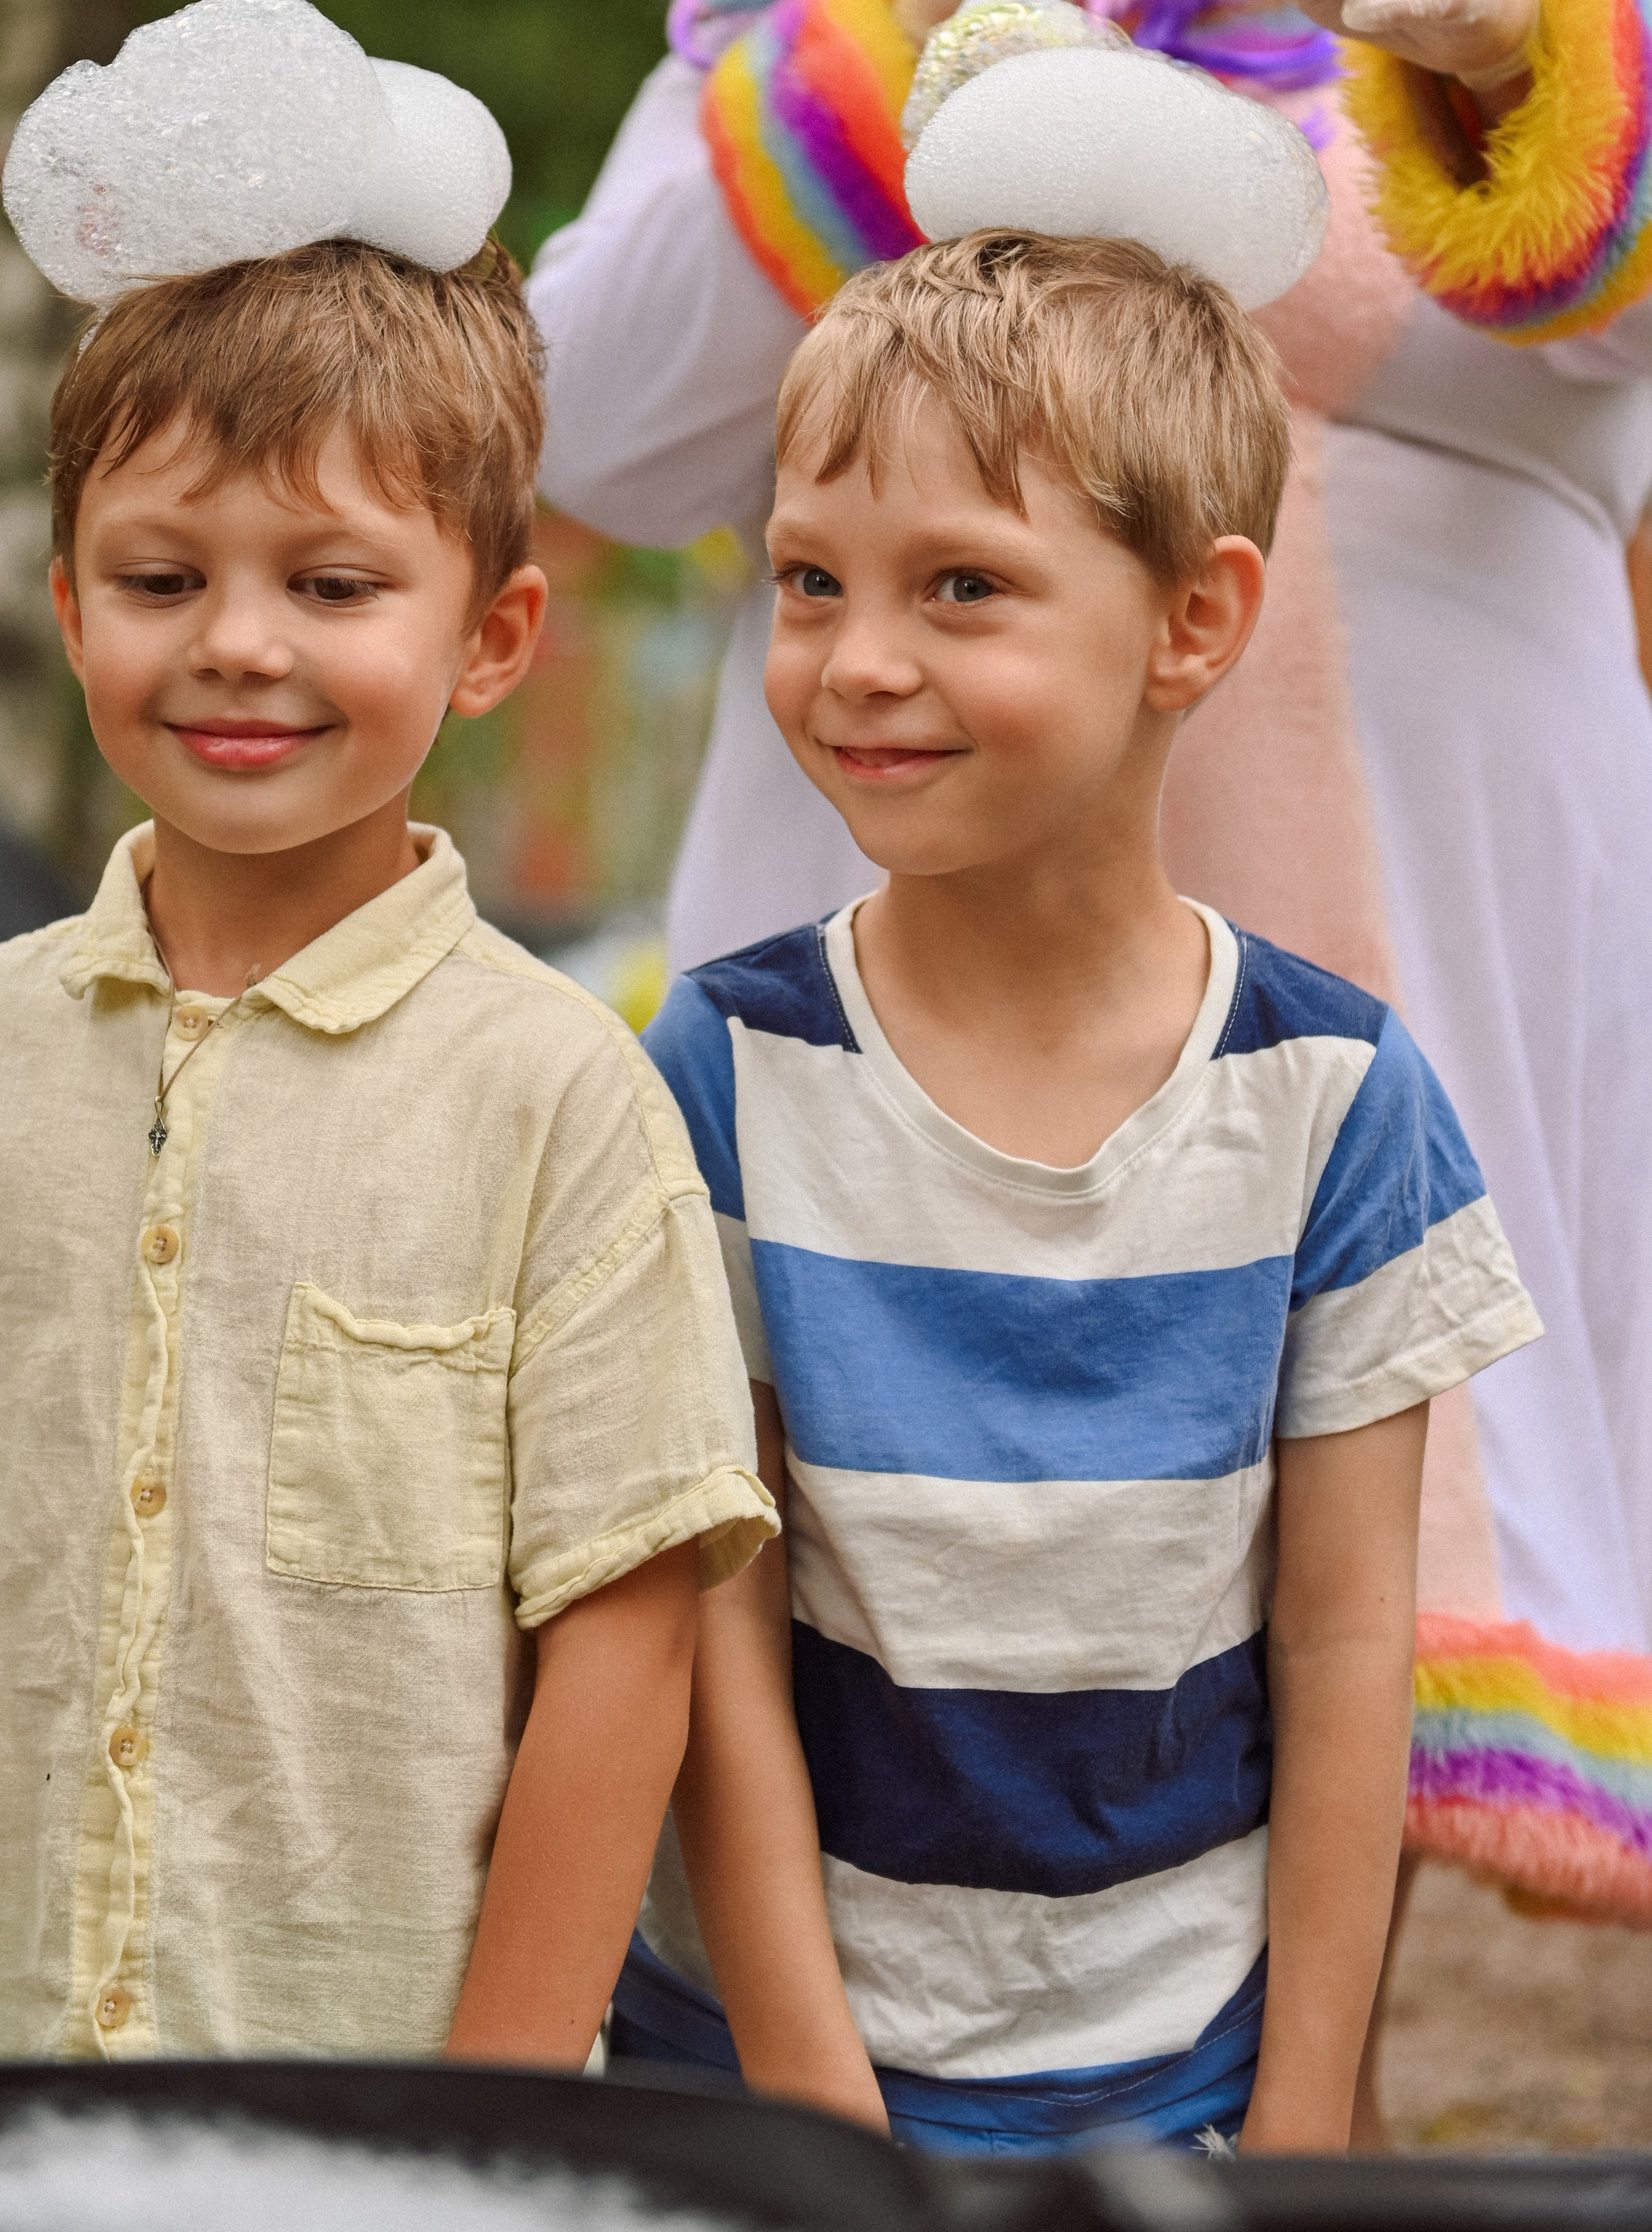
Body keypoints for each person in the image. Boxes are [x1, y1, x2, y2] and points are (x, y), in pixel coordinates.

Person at [526, 0, 1652, 1984]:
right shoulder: (794, 24)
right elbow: (592, 419)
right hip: (911, 895)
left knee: (1377, 1498)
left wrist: (1512, 16)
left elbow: (1612, 358)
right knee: (936, 1569)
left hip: (1449, 899)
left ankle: (1310, 2087)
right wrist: (889, 62)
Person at [0, 0, 774, 2068]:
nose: (242, 646)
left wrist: (486, 2142)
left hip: (375, 2141)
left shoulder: (558, 1101)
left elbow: (628, 1642)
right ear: (69, 606)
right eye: (163, 573)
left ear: (491, 638)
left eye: (334, 582)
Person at [610, 228, 1542, 2154]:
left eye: (962, 585)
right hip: (769, 2078)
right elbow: (715, 1619)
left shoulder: (1334, 1098)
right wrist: (814, 2105)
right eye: (807, 580)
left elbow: (1350, 1633)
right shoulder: (716, 1073)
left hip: (1176, 2079)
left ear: (1192, 623)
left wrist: (1297, 2115)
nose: (859, 661)